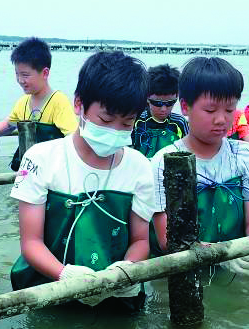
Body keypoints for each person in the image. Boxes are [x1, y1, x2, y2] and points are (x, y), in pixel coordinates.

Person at [9, 50, 155, 311]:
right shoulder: (41, 158)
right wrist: (64, 275)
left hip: (117, 295)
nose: (115, 131)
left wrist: (124, 272)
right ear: (79, 104)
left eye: (127, 123)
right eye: (105, 119)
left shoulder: (140, 167)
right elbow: (30, 242)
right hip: (50, 289)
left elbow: (141, 241)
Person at [152, 57, 249, 276]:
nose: (221, 120)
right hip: (183, 271)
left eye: (229, 110)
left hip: (238, 266)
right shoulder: (165, 161)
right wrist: (223, 255)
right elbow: (167, 241)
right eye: (210, 111)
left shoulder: (246, 155)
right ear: (185, 107)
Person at [0, 37, 78, 171]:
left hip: (52, 171)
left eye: (25, 75)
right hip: (27, 172)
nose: (20, 80)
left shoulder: (58, 102)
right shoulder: (23, 102)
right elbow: (9, 124)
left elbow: (73, 138)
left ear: (45, 73)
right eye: (17, 74)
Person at [131, 64, 189, 158]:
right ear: (147, 97)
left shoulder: (180, 123)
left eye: (170, 103)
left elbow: (189, 152)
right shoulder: (136, 121)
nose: (163, 109)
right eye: (157, 103)